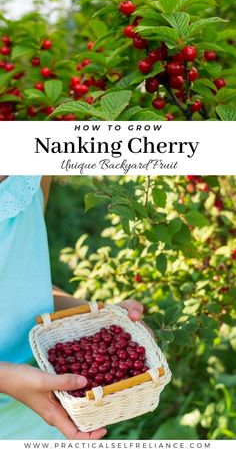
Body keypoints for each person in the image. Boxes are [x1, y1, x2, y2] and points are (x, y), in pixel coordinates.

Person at [0, 175, 145, 440]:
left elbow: (23, 285)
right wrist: (6, 379)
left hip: (44, 392)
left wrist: (98, 316)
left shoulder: (29, 173)